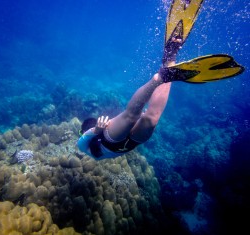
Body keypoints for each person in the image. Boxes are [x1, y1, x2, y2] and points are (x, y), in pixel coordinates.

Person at [77, 0, 244, 160]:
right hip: (131, 143)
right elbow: (83, 140)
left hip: (112, 141)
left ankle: (161, 77)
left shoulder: (93, 146)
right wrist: (96, 130)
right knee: (151, 118)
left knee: (132, 115)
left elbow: (84, 140)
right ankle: (170, 61)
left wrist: (98, 130)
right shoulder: (89, 145)